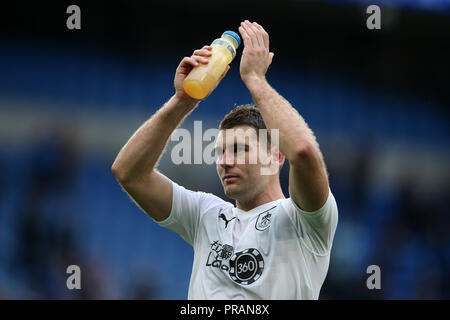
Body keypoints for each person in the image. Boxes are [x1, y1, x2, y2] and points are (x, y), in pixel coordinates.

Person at [111, 20, 338, 299]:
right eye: (220, 152)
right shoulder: (206, 214)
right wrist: (183, 100)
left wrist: (256, 80)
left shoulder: (304, 220)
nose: (225, 161)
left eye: (240, 149)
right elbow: (129, 173)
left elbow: (303, 152)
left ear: (275, 156)